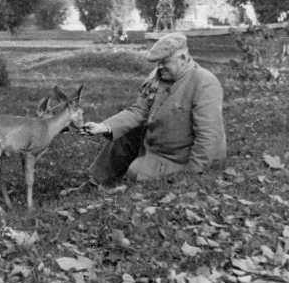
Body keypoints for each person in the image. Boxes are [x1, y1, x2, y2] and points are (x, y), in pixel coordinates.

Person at [81, 32, 226, 184]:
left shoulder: (204, 82)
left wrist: (192, 174)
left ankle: (120, 184)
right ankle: (95, 183)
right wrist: (103, 127)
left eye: (165, 62)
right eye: (158, 63)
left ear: (183, 58)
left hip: (181, 157)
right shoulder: (159, 78)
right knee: (124, 133)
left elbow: (209, 135)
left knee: (134, 173)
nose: (160, 67)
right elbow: (138, 111)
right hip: (158, 147)